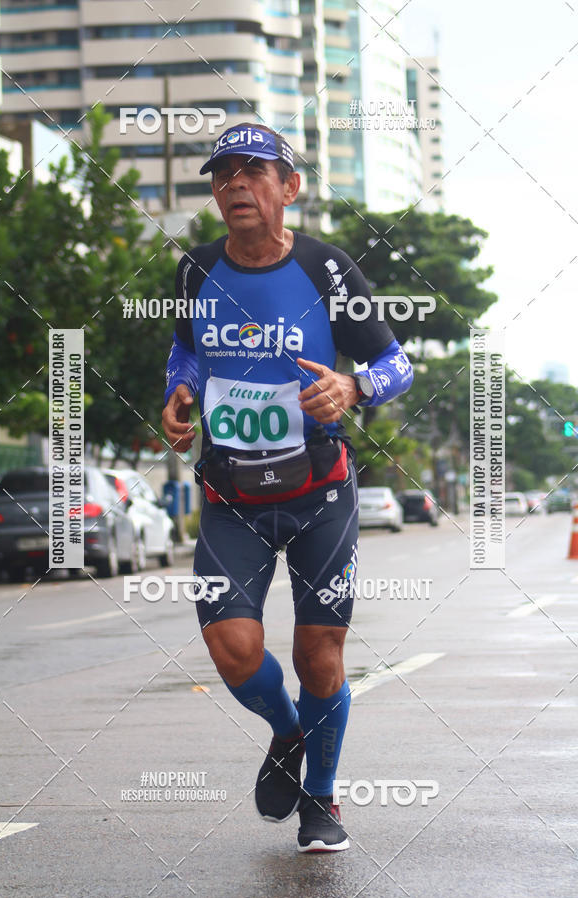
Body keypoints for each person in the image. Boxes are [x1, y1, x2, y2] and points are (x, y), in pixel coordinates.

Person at [162, 123, 413, 852]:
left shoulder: (328, 270)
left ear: (288, 187)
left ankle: (323, 800)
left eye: (253, 171)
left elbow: (396, 367)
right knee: (234, 651)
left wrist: (352, 386)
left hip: (319, 493)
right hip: (231, 495)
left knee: (319, 656)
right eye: (223, 175)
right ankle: (289, 730)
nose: (235, 185)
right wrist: (179, 395)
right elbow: (186, 350)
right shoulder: (195, 269)